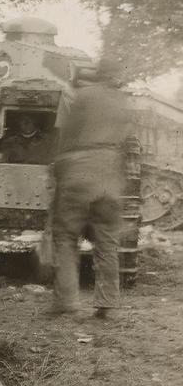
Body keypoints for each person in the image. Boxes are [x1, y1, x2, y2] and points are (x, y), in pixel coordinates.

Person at [48, 65, 132, 319]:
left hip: (78, 169)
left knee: (65, 236)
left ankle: (67, 303)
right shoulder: (121, 99)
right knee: (107, 240)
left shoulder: (80, 97)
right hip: (110, 172)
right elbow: (129, 141)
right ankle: (108, 305)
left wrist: (57, 171)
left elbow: (65, 136)